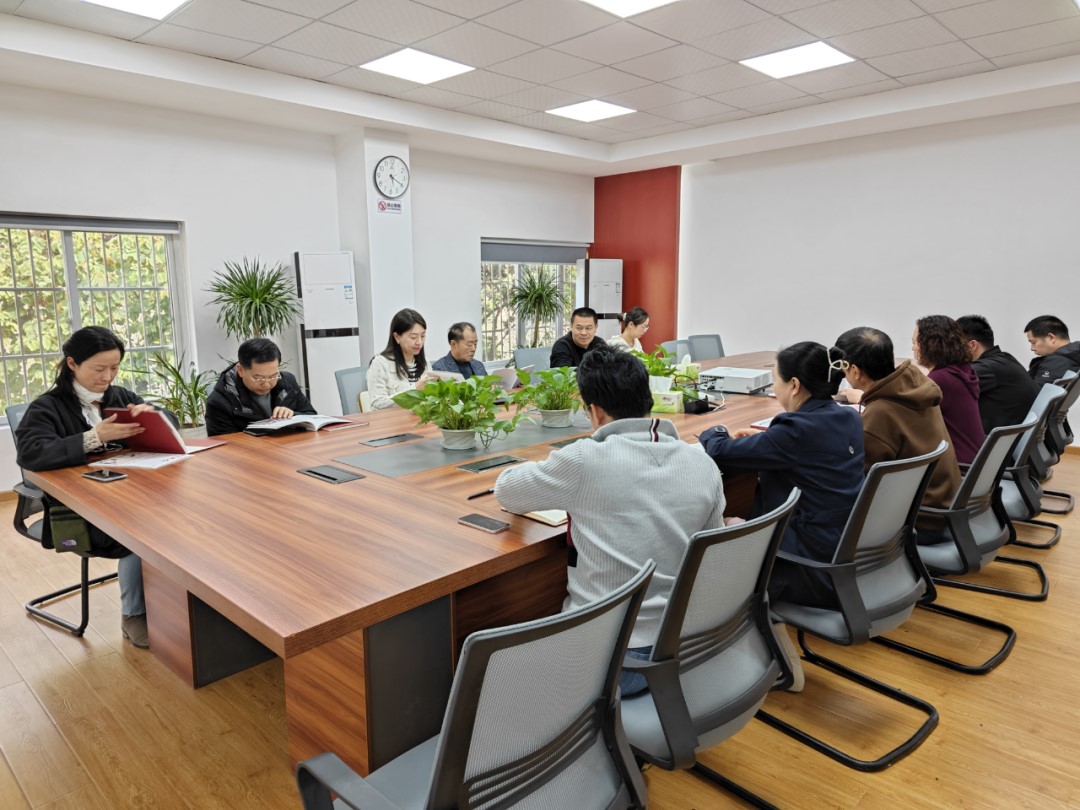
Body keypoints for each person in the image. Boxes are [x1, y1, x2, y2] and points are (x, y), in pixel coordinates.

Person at [495, 344, 725, 697]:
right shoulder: (702, 464)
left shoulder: (584, 461)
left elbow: (507, 491)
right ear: (648, 399)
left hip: (611, 661)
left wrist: (545, 466)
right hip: (684, 648)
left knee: (497, 664)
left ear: (595, 411)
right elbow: (711, 555)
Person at [14, 326, 177, 649]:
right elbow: (31, 453)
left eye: (114, 367)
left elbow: (170, 422)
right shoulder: (48, 406)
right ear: (72, 363)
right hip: (76, 513)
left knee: (175, 517)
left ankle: (183, 606)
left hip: (126, 495)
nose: (108, 376)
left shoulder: (120, 397)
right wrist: (94, 437)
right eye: (99, 368)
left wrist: (156, 415)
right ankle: (134, 614)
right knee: (144, 532)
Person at [698, 342, 864, 611]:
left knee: (716, 525)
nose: (775, 388)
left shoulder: (795, 430)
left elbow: (720, 451)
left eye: (776, 380)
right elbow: (808, 449)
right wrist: (769, 440)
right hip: (839, 550)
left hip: (802, 565)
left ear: (794, 385)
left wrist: (715, 429)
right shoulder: (848, 417)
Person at [835, 326, 960, 525]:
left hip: (916, 521)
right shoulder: (916, 385)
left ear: (855, 371)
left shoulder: (880, 414)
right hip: (943, 504)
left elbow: (855, 478)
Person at [912, 315, 985, 465]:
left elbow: (907, 414)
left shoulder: (940, 379)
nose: (913, 348)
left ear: (930, 345)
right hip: (974, 462)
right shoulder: (962, 370)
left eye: (915, 342)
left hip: (958, 467)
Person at [205, 337, 315, 436]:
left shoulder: (287, 382)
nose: (266, 384)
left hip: (290, 448)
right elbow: (225, 446)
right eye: (258, 378)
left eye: (273, 376)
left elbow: (312, 416)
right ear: (241, 370)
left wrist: (293, 415)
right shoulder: (219, 402)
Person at [956, 314, 1038, 433]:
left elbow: (941, 387)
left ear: (972, 345)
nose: (952, 350)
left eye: (954, 345)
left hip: (1001, 440)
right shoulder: (1004, 358)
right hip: (1014, 436)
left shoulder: (986, 368)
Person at [367, 308, 435, 409]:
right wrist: (414, 390)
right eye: (413, 337)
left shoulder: (424, 361)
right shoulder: (380, 363)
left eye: (423, 336)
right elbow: (377, 404)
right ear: (397, 337)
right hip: (394, 418)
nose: (419, 342)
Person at [1024, 315, 1080, 386]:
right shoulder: (1072, 358)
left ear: (1051, 338)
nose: (1032, 348)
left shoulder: (1056, 363)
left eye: (1033, 342)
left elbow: (1035, 392)